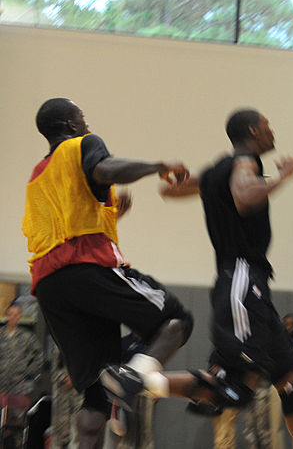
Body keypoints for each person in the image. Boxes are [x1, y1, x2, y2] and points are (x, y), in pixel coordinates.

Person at [21, 98, 198, 449]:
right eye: (81, 118)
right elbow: (104, 169)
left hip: (49, 287)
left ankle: (115, 389)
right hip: (85, 267)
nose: (86, 123)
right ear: (72, 125)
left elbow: (57, 228)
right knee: (176, 319)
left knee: (95, 396)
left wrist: (110, 218)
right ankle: (131, 378)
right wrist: (157, 165)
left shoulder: (38, 175)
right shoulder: (83, 144)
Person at [159, 107, 293, 448]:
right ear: (252, 130)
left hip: (244, 282)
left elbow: (173, 191)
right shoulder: (247, 162)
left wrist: (180, 183)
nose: (271, 131)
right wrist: (282, 177)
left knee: (291, 384)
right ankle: (135, 382)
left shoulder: (218, 168)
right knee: (234, 388)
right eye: (267, 125)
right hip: (242, 280)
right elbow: (246, 197)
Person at [0, 303, 43, 448]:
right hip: (1, 386)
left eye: (16, 314)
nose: (13, 317)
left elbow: (39, 355)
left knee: (17, 426)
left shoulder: (26, 337)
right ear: (7, 315)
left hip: (19, 388)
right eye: (11, 314)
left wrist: (29, 372)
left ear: (19, 317)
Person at [48, 336, 83, 449]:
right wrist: (65, 378)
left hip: (78, 394)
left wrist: (75, 378)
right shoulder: (57, 340)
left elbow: (88, 368)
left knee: (77, 432)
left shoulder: (85, 342)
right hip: (61, 394)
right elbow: (53, 370)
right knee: (59, 434)